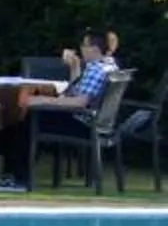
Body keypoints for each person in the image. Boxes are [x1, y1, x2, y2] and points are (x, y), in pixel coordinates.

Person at [8, 27, 121, 191]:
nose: (81, 49)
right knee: (33, 115)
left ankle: (20, 180)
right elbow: (78, 91)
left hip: (82, 124)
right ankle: (19, 177)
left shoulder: (95, 69)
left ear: (95, 49)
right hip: (96, 124)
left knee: (29, 119)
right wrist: (75, 67)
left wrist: (40, 100)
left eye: (84, 45)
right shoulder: (110, 67)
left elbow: (79, 102)